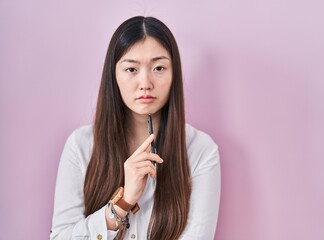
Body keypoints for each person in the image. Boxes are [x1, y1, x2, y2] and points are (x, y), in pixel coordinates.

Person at [50, 16, 220, 240]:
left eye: (159, 68)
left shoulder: (200, 150)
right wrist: (124, 201)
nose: (145, 83)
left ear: (174, 74)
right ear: (114, 75)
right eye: (131, 69)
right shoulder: (80, 145)